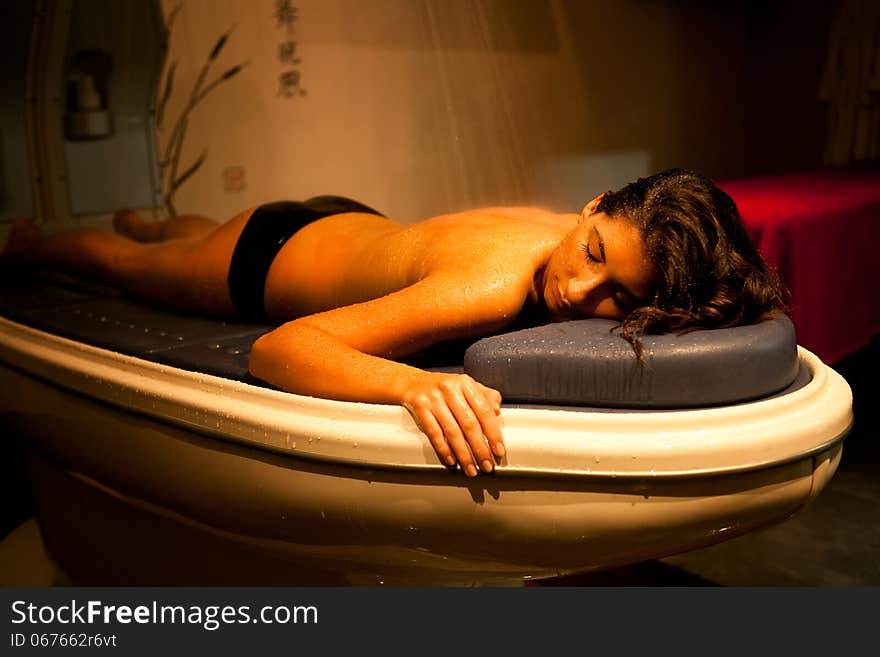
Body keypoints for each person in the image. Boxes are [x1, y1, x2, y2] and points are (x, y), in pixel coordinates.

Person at [0, 169, 787, 477]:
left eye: (617, 294)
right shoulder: (489, 285)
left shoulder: (585, 229)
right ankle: (36, 239)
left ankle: (159, 221)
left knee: (186, 235)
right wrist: (409, 385)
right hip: (265, 259)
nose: (580, 291)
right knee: (123, 267)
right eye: (590, 252)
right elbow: (281, 348)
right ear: (591, 207)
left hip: (348, 220)